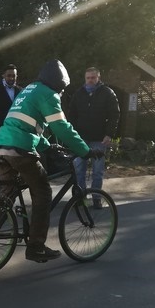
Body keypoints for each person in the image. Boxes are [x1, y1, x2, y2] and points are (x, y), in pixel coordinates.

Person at [0, 59, 99, 265]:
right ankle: (36, 246)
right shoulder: (49, 94)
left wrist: (47, 146)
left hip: (0, 146)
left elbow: (27, 125)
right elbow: (61, 127)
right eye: (62, 89)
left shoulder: (29, 90)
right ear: (59, 84)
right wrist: (84, 150)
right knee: (43, 192)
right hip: (20, 151)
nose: (62, 93)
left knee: (7, 196)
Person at [68, 67, 120, 208]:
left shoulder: (108, 93)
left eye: (93, 78)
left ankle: (97, 198)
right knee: (79, 170)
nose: (90, 80)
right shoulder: (79, 94)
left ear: (98, 78)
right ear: (85, 79)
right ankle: (80, 198)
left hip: (99, 139)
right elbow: (71, 115)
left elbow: (115, 115)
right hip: (81, 139)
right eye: (88, 78)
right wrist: (72, 135)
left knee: (98, 171)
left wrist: (109, 134)